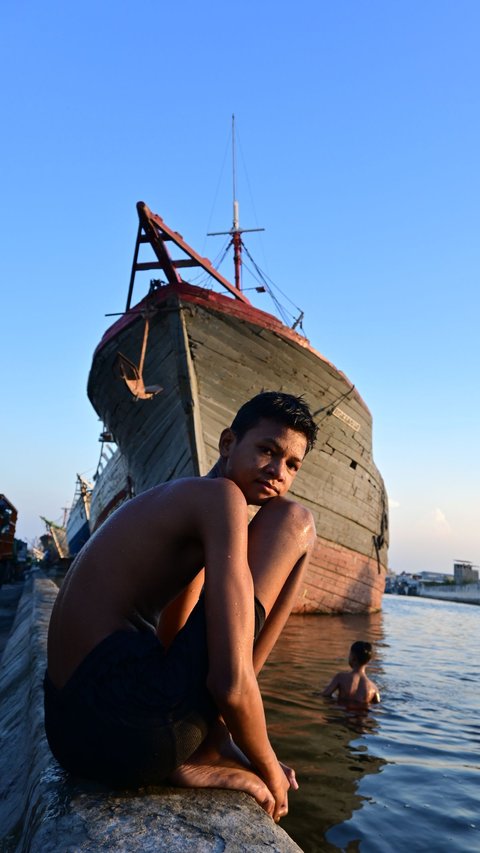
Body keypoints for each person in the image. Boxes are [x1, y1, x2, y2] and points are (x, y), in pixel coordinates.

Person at [44, 391, 318, 823]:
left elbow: (172, 638)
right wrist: (267, 767)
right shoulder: (222, 498)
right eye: (267, 450)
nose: (277, 472)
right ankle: (209, 744)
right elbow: (227, 682)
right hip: (129, 729)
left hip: (70, 732)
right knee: (296, 522)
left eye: (292, 465)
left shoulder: (183, 501)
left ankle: (207, 742)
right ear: (228, 443)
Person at [322, 641, 381, 705]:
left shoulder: (341, 677)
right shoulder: (374, 688)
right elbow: (378, 705)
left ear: (353, 658)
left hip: (343, 713)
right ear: (368, 661)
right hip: (362, 714)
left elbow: (325, 695)